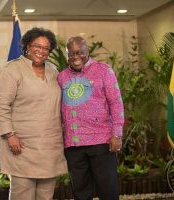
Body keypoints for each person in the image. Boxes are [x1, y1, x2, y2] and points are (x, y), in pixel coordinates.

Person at [0, 27, 67, 200]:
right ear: (27, 45)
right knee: (22, 194)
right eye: (37, 46)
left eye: (46, 48)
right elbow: (1, 107)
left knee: (46, 195)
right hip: (21, 145)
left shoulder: (53, 70)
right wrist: (9, 135)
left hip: (50, 146)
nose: (41, 51)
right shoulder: (11, 71)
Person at [58, 36, 124, 200]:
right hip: (73, 144)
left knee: (107, 189)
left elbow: (116, 102)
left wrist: (117, 134)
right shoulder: (62, 76)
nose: (75, 57)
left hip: (101, 142)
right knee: (80, 192)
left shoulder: (103, 70)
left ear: (87, 51)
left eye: (79, 52)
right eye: (71, 53)